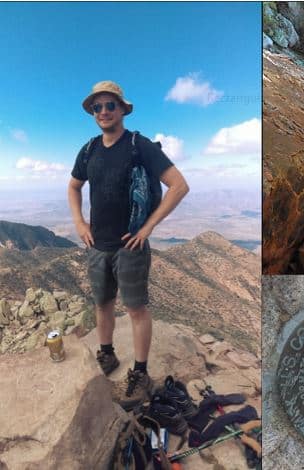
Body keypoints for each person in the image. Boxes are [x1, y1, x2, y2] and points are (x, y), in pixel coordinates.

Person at [68, 81, 189, 409]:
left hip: (130, 247)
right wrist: (79, 223)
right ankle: (106, 354)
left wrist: (148, 227)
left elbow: (179, 186)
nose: (104, 112)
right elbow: (74, 187)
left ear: (123, 109)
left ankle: (140, 371)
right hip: (98, 246)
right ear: (93, 113)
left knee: (136, 309)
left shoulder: (140, 145)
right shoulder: (89, 149)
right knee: (102, 303)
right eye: (98, 107)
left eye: (110, 106)